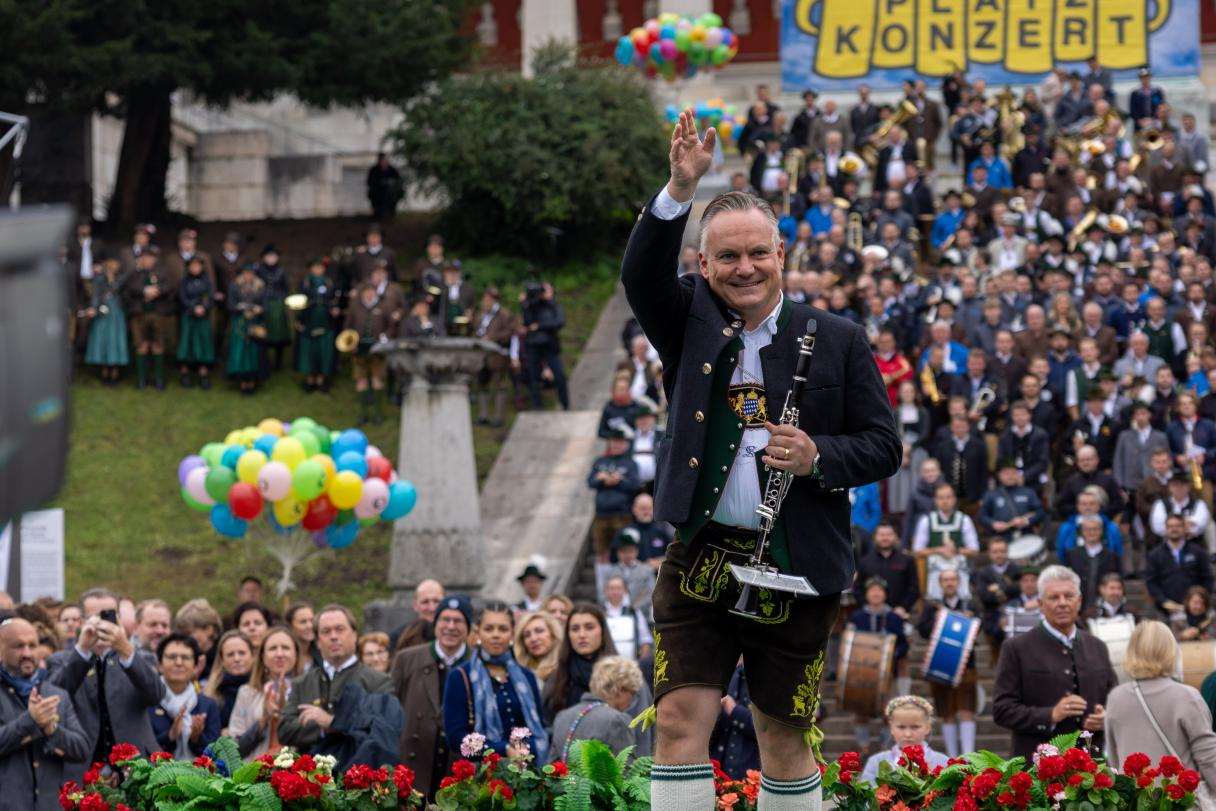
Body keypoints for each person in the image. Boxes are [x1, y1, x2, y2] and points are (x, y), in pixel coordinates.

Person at [622, 109, 900, 809]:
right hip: (701, 552)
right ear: (703, 264)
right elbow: (638, 274)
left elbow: (884, 446)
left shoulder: (836, 336)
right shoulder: (684, 321)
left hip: (800, 558)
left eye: (757, 253)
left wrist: (816, 455)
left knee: (784, 732)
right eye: (727, 257)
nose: (744, 268)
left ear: (782, 253)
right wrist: (679, 190)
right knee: (681, 717)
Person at [992, 565, 1118, 759]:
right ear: (1041, 604)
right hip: (1037, 772)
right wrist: (1050, 715)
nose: (1062, 603)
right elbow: (1002, 710)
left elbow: (1114, 699)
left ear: (1079, 601)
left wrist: (1106, 717)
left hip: (1093, 768)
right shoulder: (1016, 648)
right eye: (1054, 598)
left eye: (1068, 596)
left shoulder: (1097, 646)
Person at [46, 588, 164, 781]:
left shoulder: (138, 657)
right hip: (83, 771)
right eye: (94, 617)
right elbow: (55, 699)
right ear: (81, 621)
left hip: (134, 769)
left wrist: (125, 649)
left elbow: (156, 694)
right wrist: (83, 650)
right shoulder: (62, 660)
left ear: (118, 618)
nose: (101, 624)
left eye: (107, 616)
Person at [1105, 620, 1216, 789]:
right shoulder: (1187, 696)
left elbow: (1113, 758)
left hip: (1135, 801)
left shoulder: (1116, 698)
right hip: (1180, 799)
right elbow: (1208, 757)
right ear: (1171, 651)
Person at [278, 605, 393, 755]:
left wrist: (331, 722)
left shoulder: (378, 681)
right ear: (318, 641)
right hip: (310, 775)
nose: (333, 636)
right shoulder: (303, 682)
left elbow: (383, 729)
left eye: (340, 629)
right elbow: (285, 731)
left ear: (354, 635)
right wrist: (320, 728)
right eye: (326, 632)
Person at [0, 617, 89, 811]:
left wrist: (51, 729)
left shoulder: (56, 694)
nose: (27, 653)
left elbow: (82, 749)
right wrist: (30, 720)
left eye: (32, 645)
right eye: (18, 646)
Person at [443, 601, 549, 763]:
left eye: (503, 629)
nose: (496, 635)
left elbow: (539, 727)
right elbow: (456, 738)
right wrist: (502, 749)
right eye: (489, 629)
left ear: (512, 634)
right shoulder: (460, 676)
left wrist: (523, 749)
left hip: (527, 772)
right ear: (478, 634)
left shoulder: (526, 676)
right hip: (482, 777)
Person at [391, 594, 472, 798]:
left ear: (468, 627)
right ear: (435, 623)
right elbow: (392, 709)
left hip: (456, 772)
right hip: (414, 768)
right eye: (445, 619)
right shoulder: (406, 659)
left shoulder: (476, 664)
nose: (451, 626)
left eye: (458, 621)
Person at [916, 568, 978, 756]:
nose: (950, 583)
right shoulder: (931, 607)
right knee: (946, 712)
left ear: (958, 582)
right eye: (945, 580)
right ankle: (952, 757)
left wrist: (970, 619)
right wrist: (935, 621)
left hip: (967, 665)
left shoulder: (970, 604)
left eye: (953, 579)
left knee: (967, 709)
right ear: (940, 583)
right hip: (940, 664)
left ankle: (968, 757)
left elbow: (979, 626)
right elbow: (922, 630)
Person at [850, 578, 910, 750]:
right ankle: (864, 747)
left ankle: (885, 747)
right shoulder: (857, 617)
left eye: (879, 591)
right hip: (862, 673)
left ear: (885, 594)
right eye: (872, 591)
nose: (876, 594)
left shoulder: (894, 618)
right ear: (867, 594)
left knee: (889, 712)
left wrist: (894, 654)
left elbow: (903, 644)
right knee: (860, 712)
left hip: (887, 673)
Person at [549, 656, 643, 764]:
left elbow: (552, 769)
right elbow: (626, 773)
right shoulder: (618, 720)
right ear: (620, 689)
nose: (631, 701)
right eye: (632, 693)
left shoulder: (562, 716)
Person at [227, 625, 303, 758]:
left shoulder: (307, 691)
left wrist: (284, 713)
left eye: (285, 648)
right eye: (273, 648)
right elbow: (234, 749)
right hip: (252, 772)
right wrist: (264, 720)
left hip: (295, 774)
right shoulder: (246, 693)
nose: (279, 654)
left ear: (296, 653)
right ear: (262, 655)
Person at [149, 633, 221, 759]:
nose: (178, 662)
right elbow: (142, 749)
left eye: (186, 657)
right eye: (172, 657)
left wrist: (196, 738)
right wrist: (170, 736)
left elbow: (217, 756)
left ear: (195, 666)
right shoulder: (147, 702)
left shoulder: (207, 705)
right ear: (159, 664)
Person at [859, 695, 950, 784]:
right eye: (901, 727)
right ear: (891, 728)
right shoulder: (876, 762)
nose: (908, 734)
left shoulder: (942, 761)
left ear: (927, 727)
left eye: (915, 727)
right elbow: (867, 795)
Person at [912, 482, 980, 600]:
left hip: (958, 568)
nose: (945, 501)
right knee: (934, 599)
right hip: (935, 569)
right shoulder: (926, 520)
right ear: (935, 500)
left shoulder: (964, 520)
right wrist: (938, 550)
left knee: (963, 594)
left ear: (954, 499)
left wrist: (956, 550)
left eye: (948, 497)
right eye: (941, 498)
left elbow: (974, 550)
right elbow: (917, 551)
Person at [124, 247, 178, 390]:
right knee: (141, 345)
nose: (147, 260)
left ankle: (159, 379)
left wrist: (156, 291)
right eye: (144, 257)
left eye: (150, 257)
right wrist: (144, 291)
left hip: (158, 313)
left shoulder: (163, 272)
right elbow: (128, 288)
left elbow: (170, 287)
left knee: (158, 345)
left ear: (155, 259)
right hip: (139, 314)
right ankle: (142, 379)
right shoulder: (134, 273)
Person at [587, 429, 642, 565]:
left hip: (622, 514)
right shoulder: (600, 461)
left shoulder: (630, 463)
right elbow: (590, 482)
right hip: (601, 514)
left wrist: (619, 481)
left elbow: (635, 485)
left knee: (623, 550)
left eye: (619, 442)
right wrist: (602, 480)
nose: (616, 445)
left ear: (626, 444)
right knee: (601, 552)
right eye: (614, 441)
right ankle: (604, 583)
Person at [1146, 514, 1214, 614]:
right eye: (1170, 526)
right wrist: (1163, 601)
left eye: (1178, 526)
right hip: (1165, 611)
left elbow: (1208, 578)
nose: (1174, 529)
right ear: (1165, 529)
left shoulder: (1198, 552)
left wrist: (1200, 600)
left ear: (1184, 528)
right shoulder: (1155, 554)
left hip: (1196, 610)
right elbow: (1151, 582)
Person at [472, 286, 521, 428]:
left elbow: (511, 332)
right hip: (482, 355)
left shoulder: (504, 314)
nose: (485, 302)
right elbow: (477, 330)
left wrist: (493, 338)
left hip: (498, 355)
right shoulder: (481, 314)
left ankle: (499, 417)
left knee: (500, 384)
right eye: (484, 299)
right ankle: (483, 415)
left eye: (488, 300)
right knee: (482, 383)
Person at [83, 251, 130, 385]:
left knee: (116, 340)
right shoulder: (99, 278)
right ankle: (104, 370)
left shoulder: (121, 278)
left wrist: (112, 280)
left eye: (115, 263)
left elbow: (124, 293)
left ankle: (115, 370)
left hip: (117, 313)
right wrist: (93, 307)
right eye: (110, 262)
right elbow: (95, 295)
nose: (113, 265)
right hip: (102, 312)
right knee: (103, 340)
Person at [295, 257, 339, 393]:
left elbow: (335, 300)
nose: (317, 269)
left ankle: (322, 378)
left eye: (320, 267)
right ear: (311, 269)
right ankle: (310, 379)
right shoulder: (305, 283)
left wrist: (334, 308)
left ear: (324, 269)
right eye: (315, 267)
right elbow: (299, 302)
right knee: (309, 350)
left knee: (324, 350)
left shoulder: (330, 282)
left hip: (326, 322)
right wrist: (299, 320)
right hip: (309, 321)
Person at [975, 538, 1022, 664]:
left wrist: (998, 589)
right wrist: (1008, 589)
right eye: (995, 552)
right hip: (992, 617)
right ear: (990, 554)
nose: (999, 555)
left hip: (1016, 616)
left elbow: (1019, 590)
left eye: (1002, 551)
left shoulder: (1016, 569)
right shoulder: (983, 573)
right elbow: (984, 596)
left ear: (1007, 552)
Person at [226, 263, 266, 395]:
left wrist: (258, 309)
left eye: (251, 273)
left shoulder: (260, 286)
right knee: (240, 351)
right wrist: (241, 308)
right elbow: (230, 305)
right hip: (240, 323)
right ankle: (242, 381)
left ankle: (253, 380)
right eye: (246, 273)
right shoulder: (234, 286)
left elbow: (265, 305)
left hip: (255, 322)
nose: (248, 276)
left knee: (254, 352)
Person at [1065, 516, 1122, 608]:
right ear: (1082, 532)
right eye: (1087, 529)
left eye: (1095, 529)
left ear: (1101, 531)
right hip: (1078, 604)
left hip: (1103, 605)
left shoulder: (1111, 556)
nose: (1091, 532)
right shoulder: (1072, 554)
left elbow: (1118, 579)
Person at [176, 255, 215, 388]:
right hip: (188, 316)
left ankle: (203, 374)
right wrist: (193, 307)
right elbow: (182, 297)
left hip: (203, 317)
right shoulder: (184, 281)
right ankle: (185, 374)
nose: (195, 268)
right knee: (187, 344)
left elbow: (210, 297)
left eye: (198, 265)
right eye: (193, 265)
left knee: (203, 343)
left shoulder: (207, 281)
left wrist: (204, 307)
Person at [204, 630, 253, 732]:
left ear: (252, 656)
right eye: (230, 655)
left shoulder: (264, 687)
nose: (236, 658)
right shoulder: (212, 693)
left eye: (242, 653)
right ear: (222, 660)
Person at [600, 575, 653, 661]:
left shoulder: (634, 612)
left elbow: (645, 639)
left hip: (631, 664)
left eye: (618, 588)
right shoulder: (600, 612)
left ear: (625, 591)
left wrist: (641, 663)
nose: (615, 591)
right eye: (611, 588)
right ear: (606, 591)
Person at [174, 599, 223, 680]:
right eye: (182, 634)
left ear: (208, 630)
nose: (184, 639)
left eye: (188, 633)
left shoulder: (226, 655)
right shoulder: (185, 657)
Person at [391, 579, 444, 654]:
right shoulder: (399, 636)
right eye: (425, 602)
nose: (432, 608)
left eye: (436, 601)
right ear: (415, 605)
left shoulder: (455, 634)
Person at [514, 611, 562, 683]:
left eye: (539, 631)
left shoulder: (566, 668)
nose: (533, 639)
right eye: (527, 635)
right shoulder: (519, 673)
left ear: (553, 634)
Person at [367, 152, 403, 219]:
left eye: (385, 160)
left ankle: (390, 213)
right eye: (382, 160)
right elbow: (370, 182)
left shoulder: (392, 170)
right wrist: (380, 183)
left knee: (393, 194)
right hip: (377, 192)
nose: (383, 162)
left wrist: (390, 183)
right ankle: (378, 213)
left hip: (390, 193)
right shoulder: (374, 170)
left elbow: (398, 180)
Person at [285, 601, 320, 671]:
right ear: (291, 626)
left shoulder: (321, 653)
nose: (309, 626)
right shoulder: (285, 655)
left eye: (312, 621)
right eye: (303, 622)